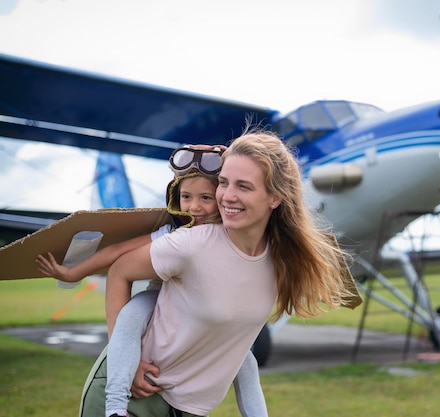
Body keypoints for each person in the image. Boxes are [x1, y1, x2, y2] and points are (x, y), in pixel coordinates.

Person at [78, 127, 358, 417]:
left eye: (244, 186)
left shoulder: (282, 260)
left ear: (275, 197)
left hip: (190, 410)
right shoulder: (189, 244)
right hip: (133, 400)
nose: (227, 196)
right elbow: (119, 271)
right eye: (223, 182)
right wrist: (126, 364)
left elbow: (241, 356)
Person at [36, 145, 269, 417]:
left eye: (206, 197)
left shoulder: (236, 234)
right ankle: (115, 407)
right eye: (186, 197)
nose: (194, 206)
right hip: (160, 298)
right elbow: (117, 253)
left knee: (246, 362)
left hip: (202, 313)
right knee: (131, 318)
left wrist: (230, 153)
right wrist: (74, 273)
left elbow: (254, 175)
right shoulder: (174, 234)